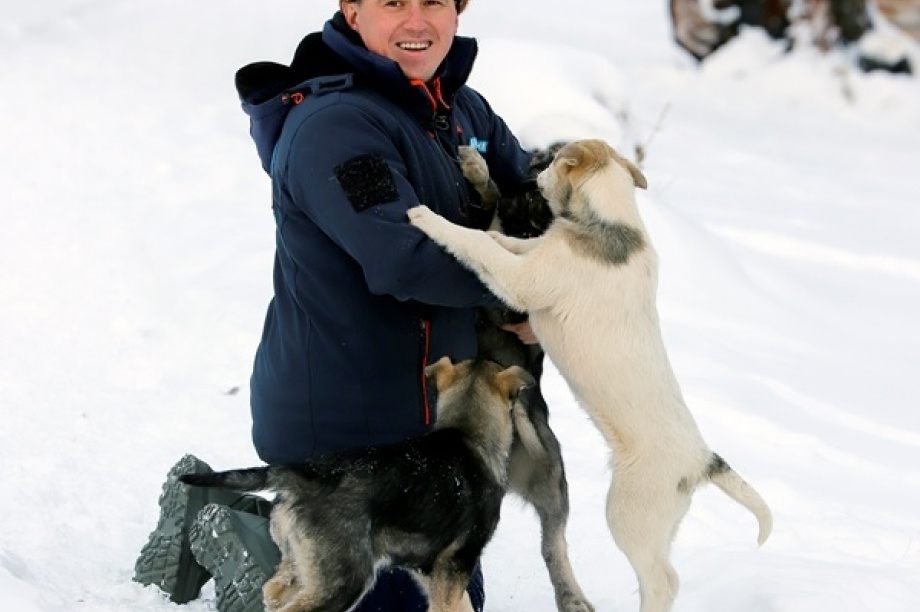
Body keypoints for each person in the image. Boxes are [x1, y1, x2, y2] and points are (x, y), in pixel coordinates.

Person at [134, 1, 535, 611]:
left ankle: (279, 530)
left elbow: (534, 198)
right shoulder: (336, 126)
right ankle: (242, 534)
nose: (416, 23)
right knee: (345, 596)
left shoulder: (460, 109)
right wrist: (528, 289)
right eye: (392, 2)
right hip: (346, 437)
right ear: (351, 8)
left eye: (433, 1)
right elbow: (401, 255)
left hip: (429, 437)